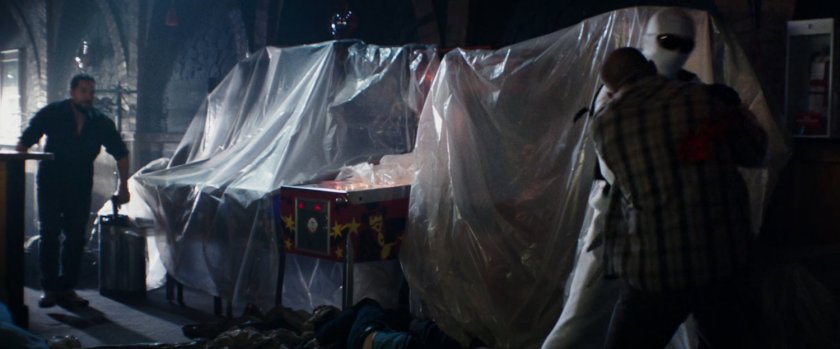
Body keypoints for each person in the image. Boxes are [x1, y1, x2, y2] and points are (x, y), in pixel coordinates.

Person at [543, 8, 700, 348]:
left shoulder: (690, 89)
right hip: (617, 212)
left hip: (669, 219)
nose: (676, 51)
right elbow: (617, 168)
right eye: (669, 41)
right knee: (584, 308)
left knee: (677, 319)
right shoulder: (619, 91)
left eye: (684, 44)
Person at [591, 47, 766, 348]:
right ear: (650, 67)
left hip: (655, 268)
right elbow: (755, 152)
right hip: (722, 259)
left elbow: (624, 178)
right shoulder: (703, 100)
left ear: (610, 89)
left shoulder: (605, 124)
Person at [16, 74, 130, 308]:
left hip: (79, 183)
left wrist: (124, 186)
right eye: (84, 91)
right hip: (51, 181)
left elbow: (121, 154)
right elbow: (24, 142)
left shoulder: (99, 121)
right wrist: (16, 181)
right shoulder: (53, 113)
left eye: (91, 92)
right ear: (72, 93)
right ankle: (49, 288)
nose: (89, 97)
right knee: (50, 233)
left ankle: (67, 288)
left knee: (76, 236)